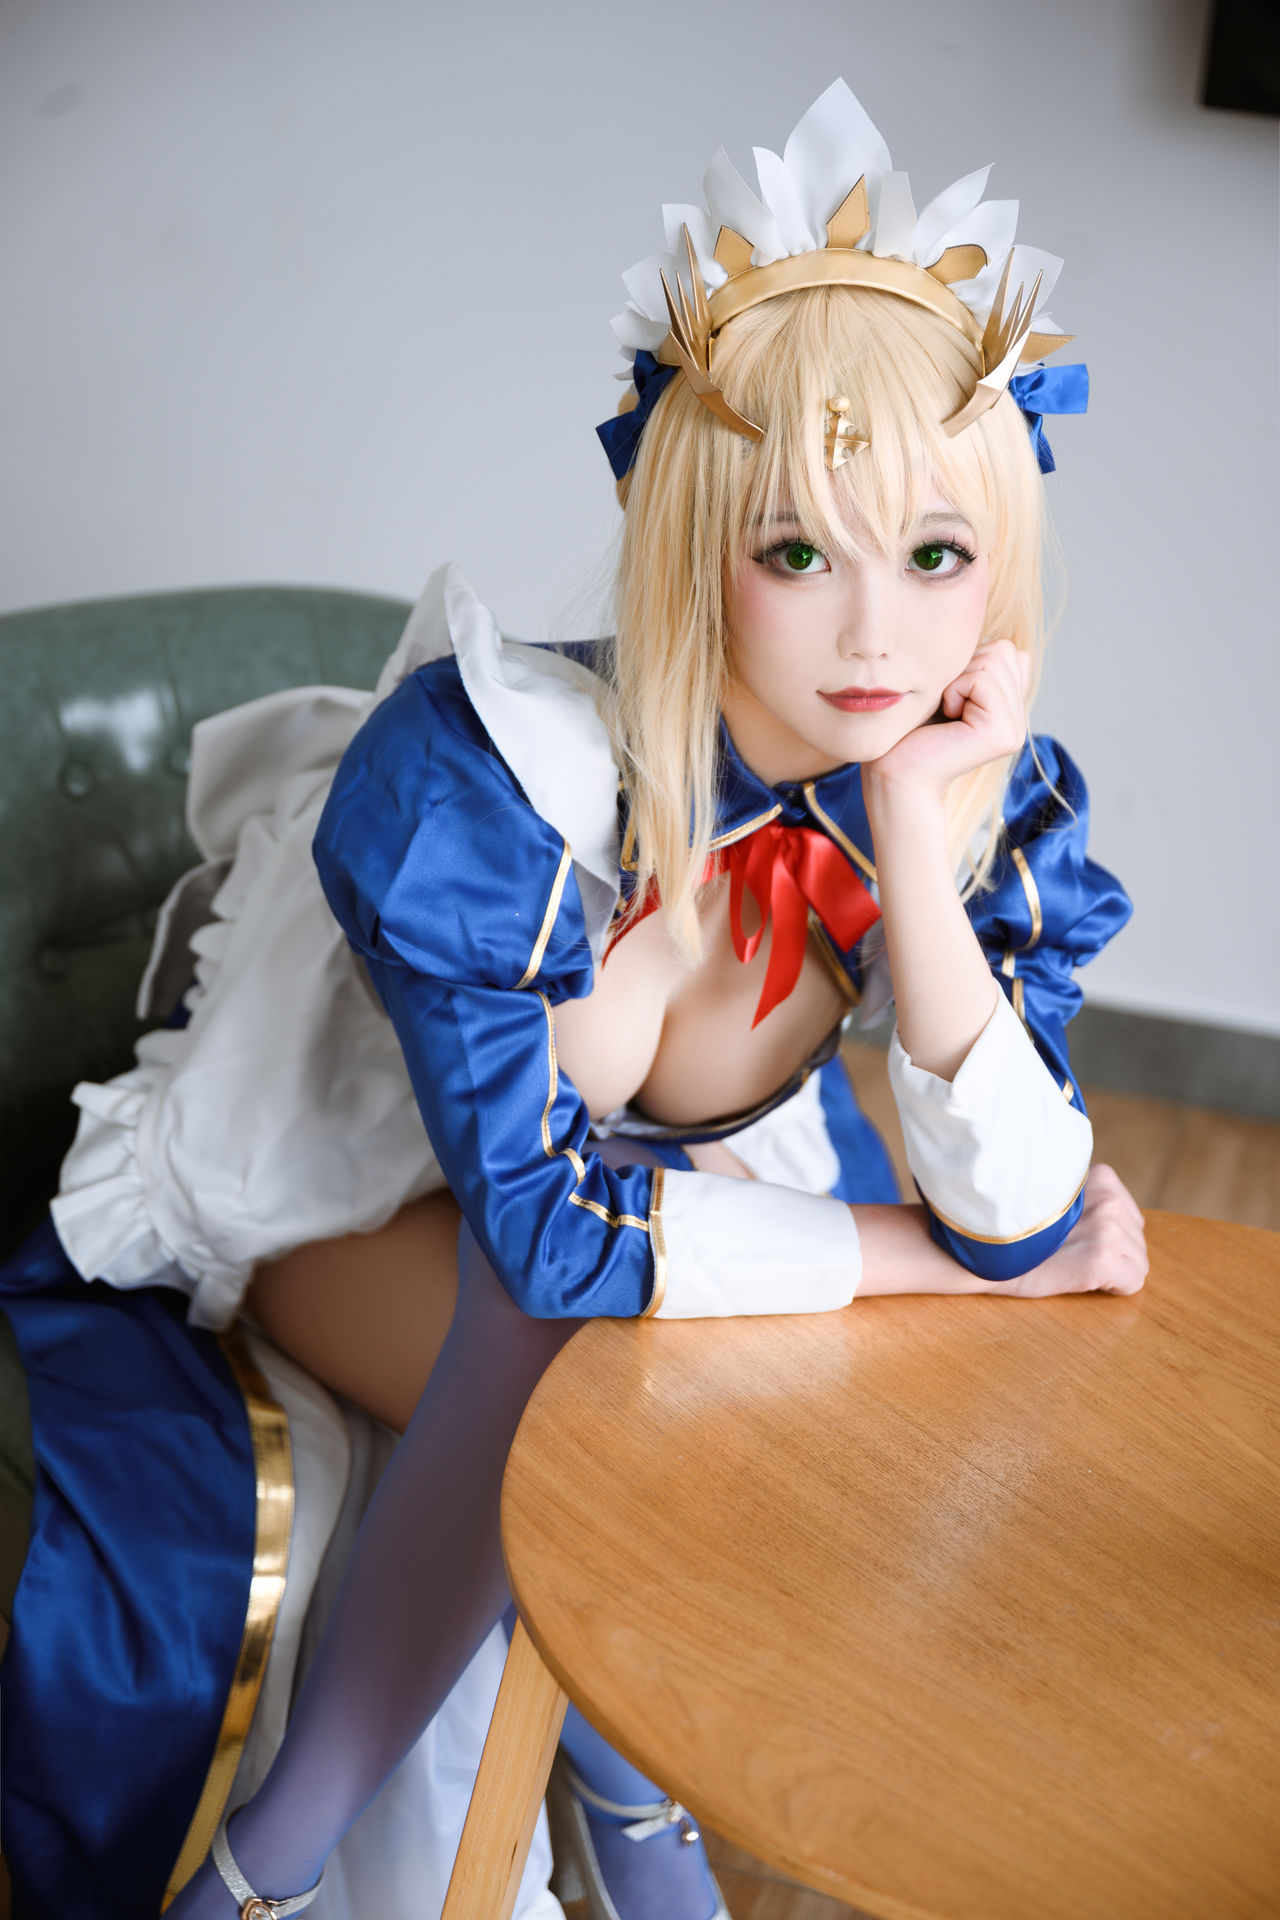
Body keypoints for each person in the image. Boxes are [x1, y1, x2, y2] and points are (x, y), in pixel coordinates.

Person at [0, 77, 1145, 1920]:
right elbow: (547, 1239)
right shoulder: (483, 786)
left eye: (936, 554)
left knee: (647, 1387)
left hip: (609, 1232)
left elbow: (1019, 1205)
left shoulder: (974, 802)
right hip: (335, 1206)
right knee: (568, 1368)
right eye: (800, 551)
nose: (878, 633)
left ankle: (588, 1809)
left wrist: (914, 847)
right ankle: (283, 1868)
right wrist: (935, 1266)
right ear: (698, 546)